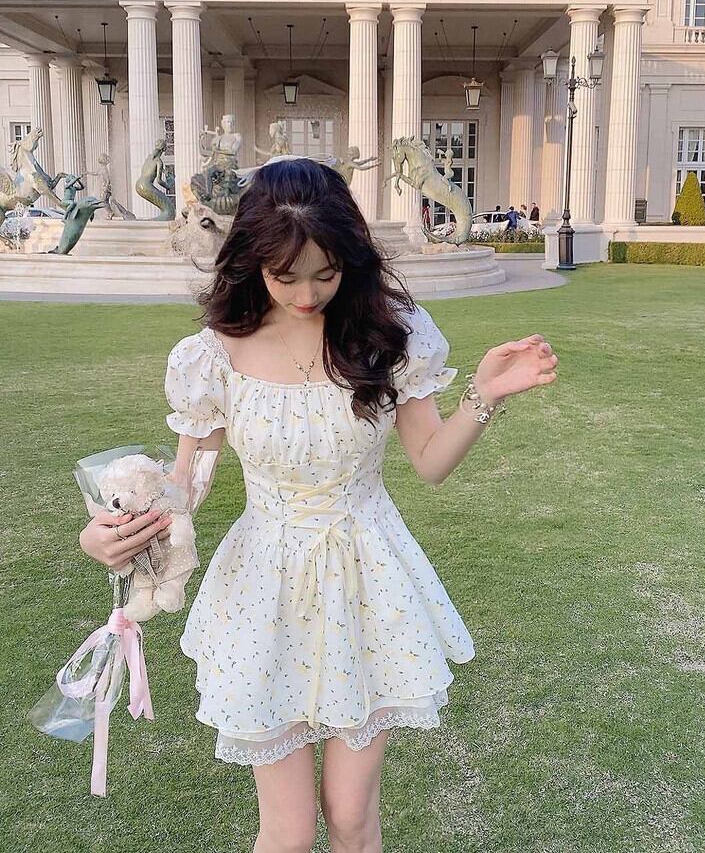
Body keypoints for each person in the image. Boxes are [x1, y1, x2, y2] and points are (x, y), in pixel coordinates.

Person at [79, 155, 558, 853]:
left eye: (325, 274)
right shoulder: (213, 357)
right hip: (263, 590)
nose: (306, 294)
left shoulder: (388, 333)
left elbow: (430, 461)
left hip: (368, 583)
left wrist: (483, 397)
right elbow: (188, 486)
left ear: (349, 260)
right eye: (285, 276)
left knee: (352, 815)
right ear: (253, 262)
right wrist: (113, 531)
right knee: (290, 831)